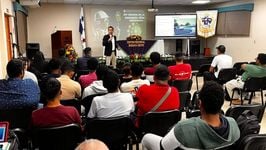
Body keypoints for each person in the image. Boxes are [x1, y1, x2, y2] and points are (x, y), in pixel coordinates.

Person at [142, 81, 240, 150]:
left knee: (146, 138)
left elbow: (163, 147)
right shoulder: (233, 125)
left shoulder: (183, 128)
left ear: (200, 103)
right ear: (222, 103)